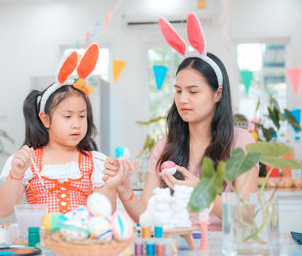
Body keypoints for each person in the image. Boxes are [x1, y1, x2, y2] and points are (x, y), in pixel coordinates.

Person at [103, 14, 258, 230]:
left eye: (193, 91)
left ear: (217, 94)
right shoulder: (165, 146)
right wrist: (124, 188)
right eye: (178, 91)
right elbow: (145, 217)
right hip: (174, 247)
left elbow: (246, 217)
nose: (183, 99)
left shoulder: (242, 143)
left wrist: (201, 191)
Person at [0, 44, 122, 217]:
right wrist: (16, 174)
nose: (76, 124)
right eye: (68, 117)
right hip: (39, 243)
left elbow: (105, 215)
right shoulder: (28, 163)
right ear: (45, 119)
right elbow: (3, 210)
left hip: (79, 243)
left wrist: (110, 185)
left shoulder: (96, 163)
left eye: (82, 116)